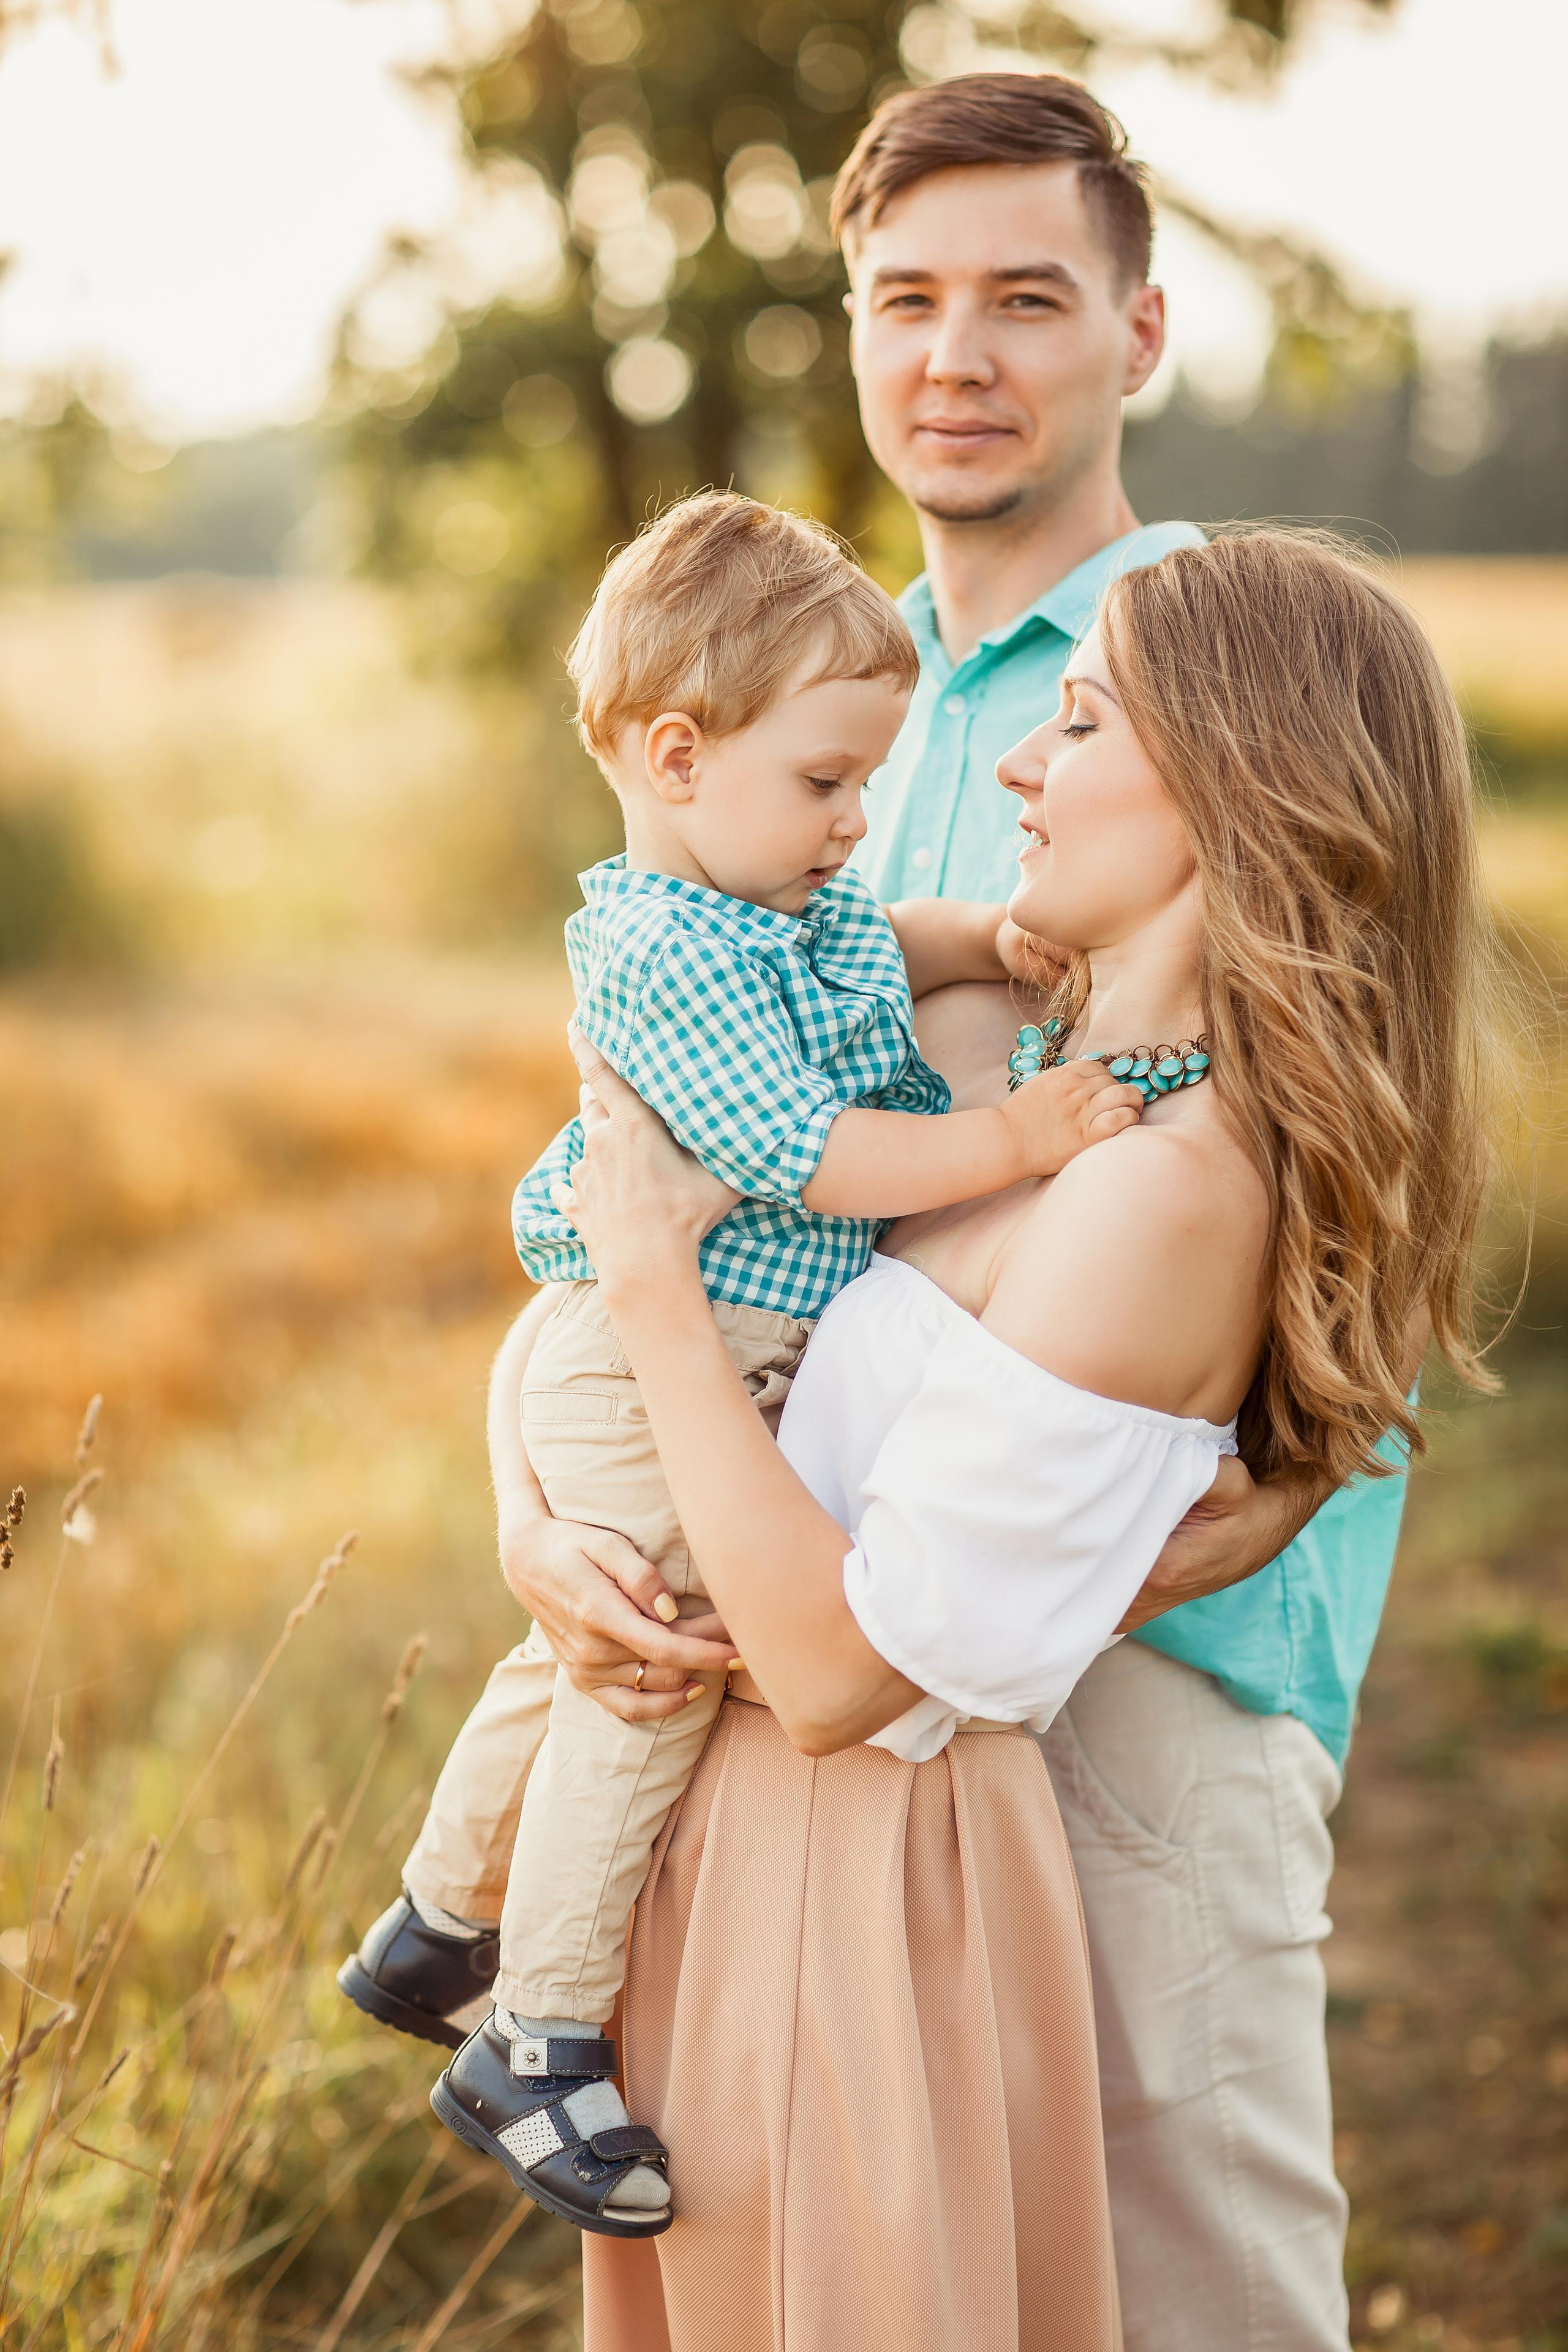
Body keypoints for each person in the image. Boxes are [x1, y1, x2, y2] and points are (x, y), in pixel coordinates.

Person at [344, 70, 1421, 2343]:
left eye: (1028, 298)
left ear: (1136, 334)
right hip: (811, 1605)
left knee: (1180, 2266)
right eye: (905, 298)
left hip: (1113, 1668)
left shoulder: (1217, 675)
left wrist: (1225, 1505)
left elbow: (1351, 1199)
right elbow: (657, 1196)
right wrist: (541, 1502)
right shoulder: (823, 703)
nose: (956, 355)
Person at [549, 530, 1498, 2348]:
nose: (1009, 773)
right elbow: (630, 1252)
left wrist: (659, 1297)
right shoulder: (1000, 1051)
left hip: (850, 1844)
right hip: (729, 1826)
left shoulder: (1159, 1197)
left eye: (1078, 721)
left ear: (1241, 781)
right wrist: (541, 1508)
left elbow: (838, 1667)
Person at [343, 488, 1138, 2232]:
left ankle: (436, 1917)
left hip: (684, 1345)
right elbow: (816, 1151)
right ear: (681, 756)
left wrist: (983, 942)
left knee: (584, 1638)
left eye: (867, 779)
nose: (859, 821)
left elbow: (890, 938)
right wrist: (1022, 1134)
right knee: (659, 1663)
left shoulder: (777, 894)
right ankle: (534, 2036)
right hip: (653, 1362)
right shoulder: (668, 949)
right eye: (830, 782)